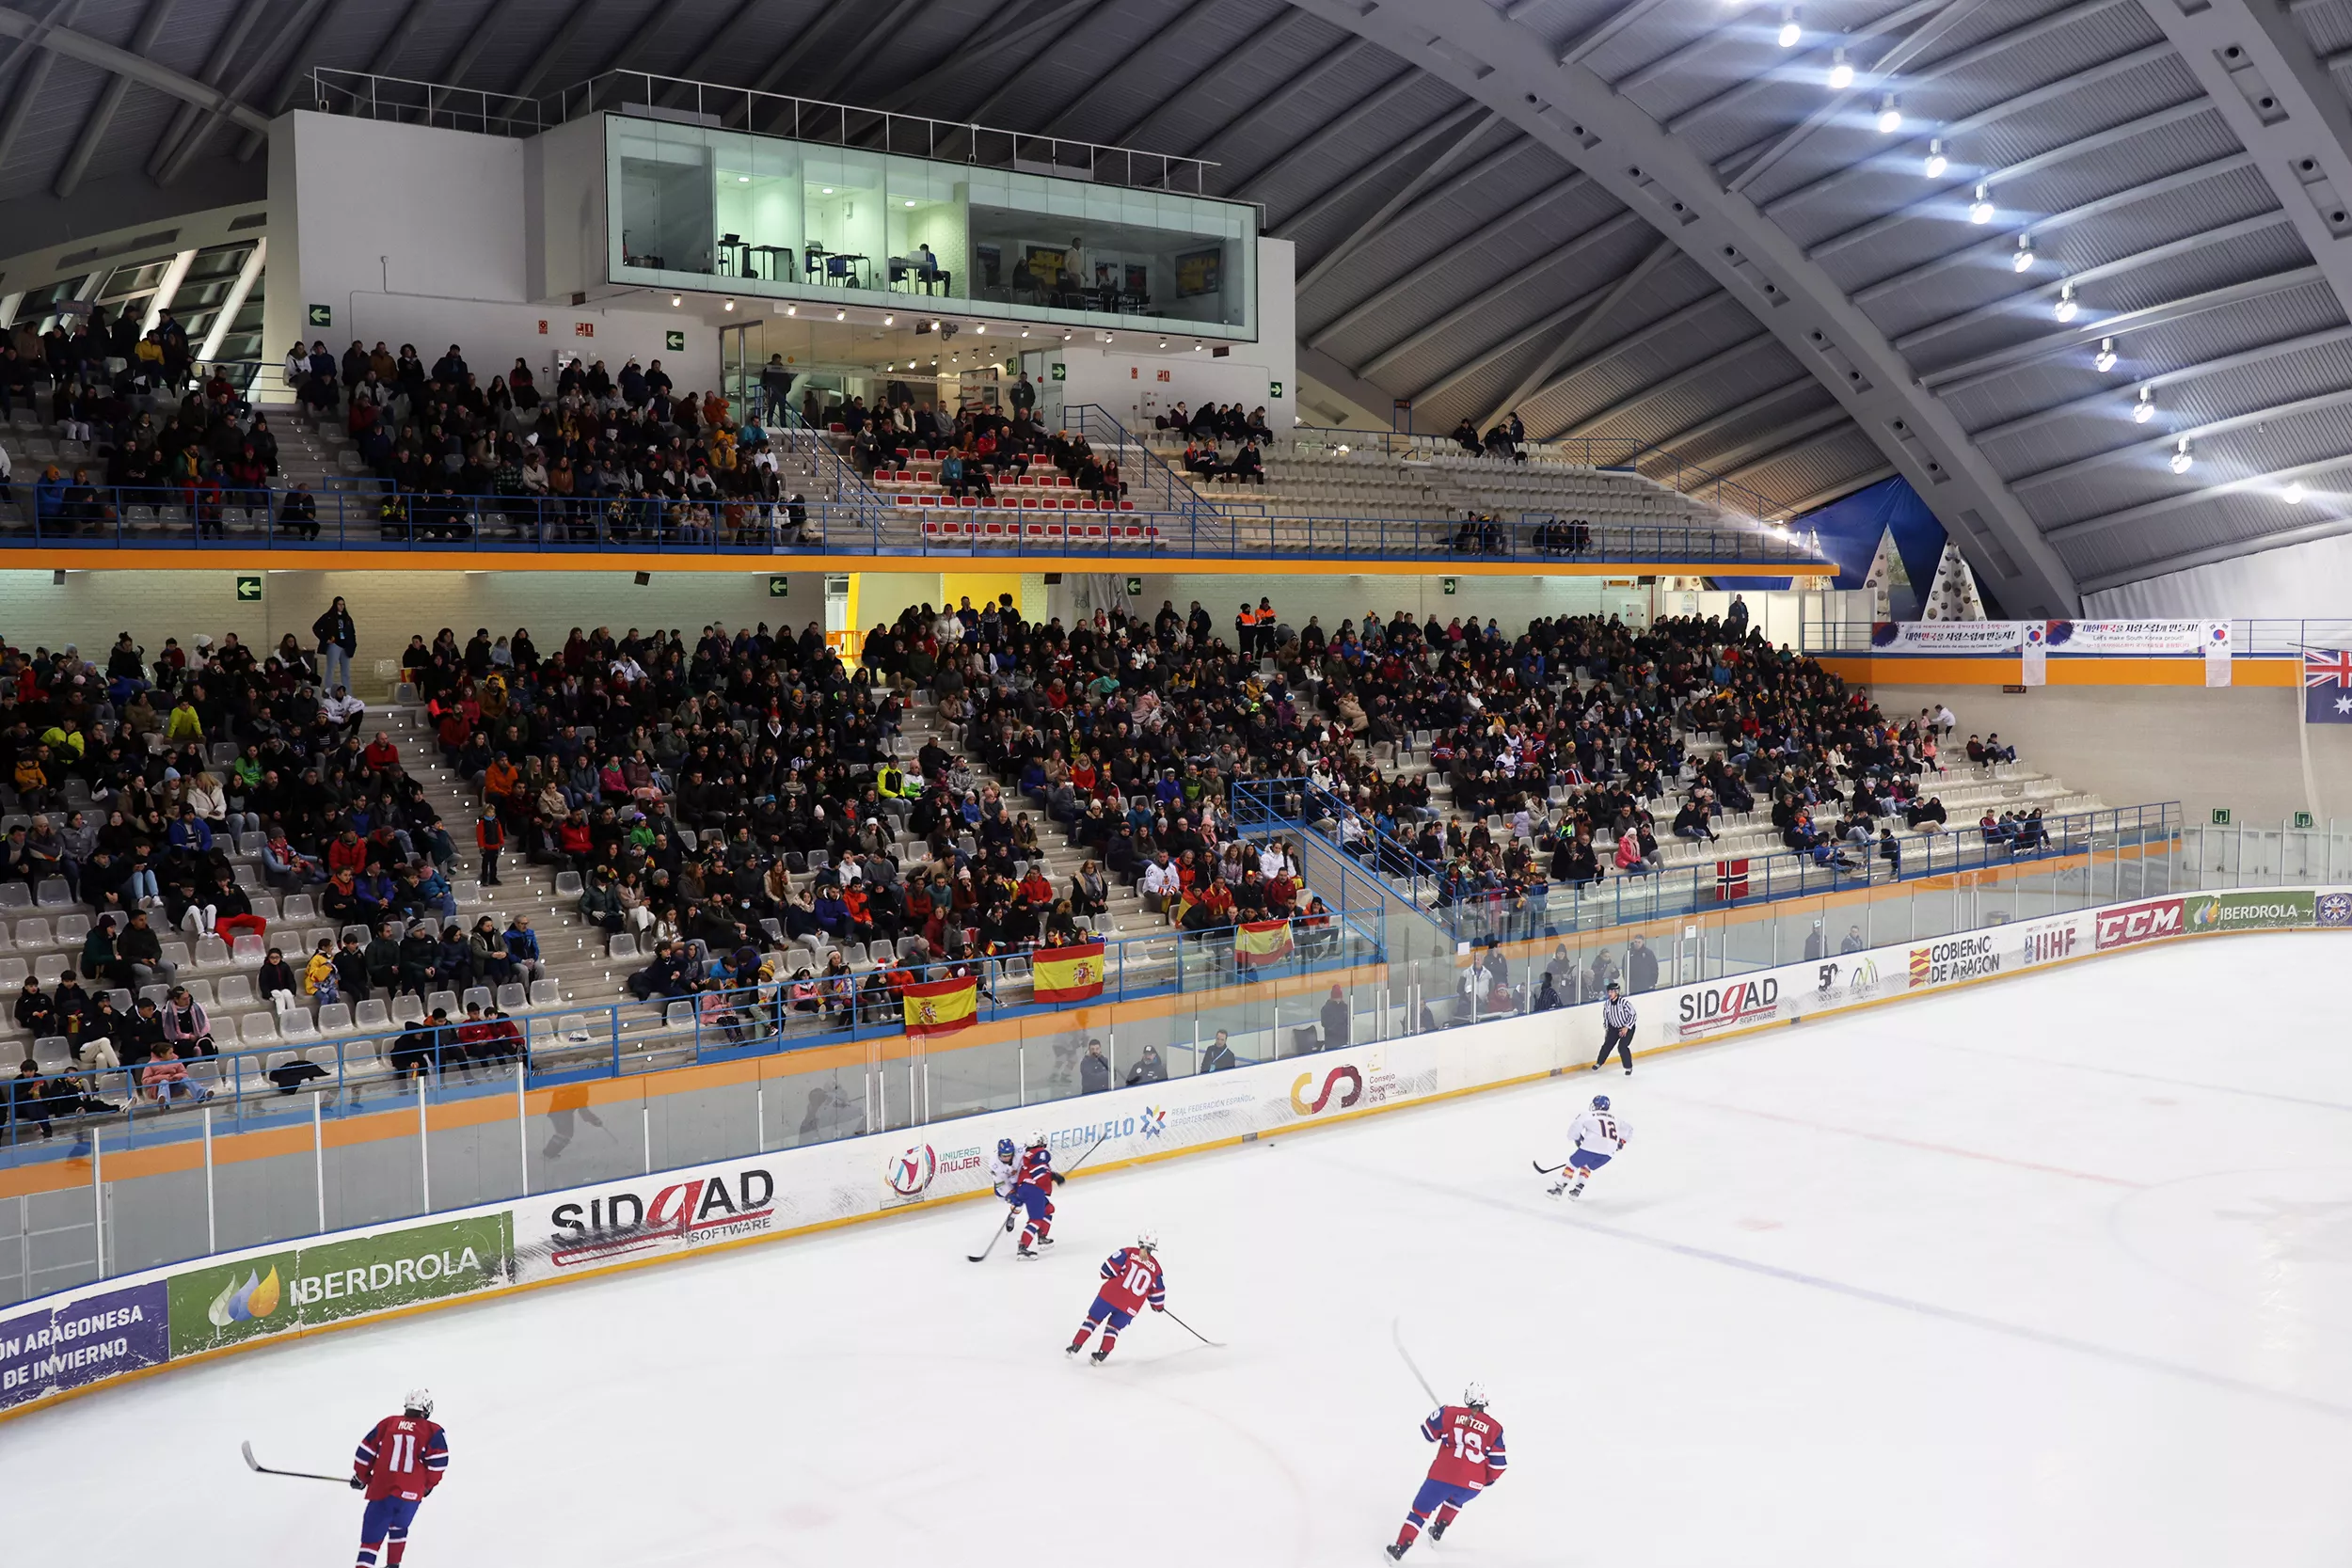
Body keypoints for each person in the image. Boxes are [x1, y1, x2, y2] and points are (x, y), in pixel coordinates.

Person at [1386, 1383, 1507, 1559]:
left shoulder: (1450, 1413)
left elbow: (1428, 1432)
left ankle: (1399, 1548)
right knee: (1457, 1497)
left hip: (1442, 1476)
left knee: (1420, 1510)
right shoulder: (1495, 1428)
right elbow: (1498, 1465)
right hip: (1472, 1484)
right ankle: (1439, 1528)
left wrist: (1442, 1415)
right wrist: (1484, 1479)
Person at [350, 1389, 449, 1568]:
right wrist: (426, 1486)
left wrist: (361, 1476)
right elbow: (438, 1463)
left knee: (370, 1544)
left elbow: (365, 1452)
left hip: (381, 1492)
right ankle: (393, 1565)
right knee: (399, 1527)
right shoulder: (433, 1431)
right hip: (411, 1495)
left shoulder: (388, 1423)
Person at [1065, 1231, 1166, 1365]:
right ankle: (1101, 1354)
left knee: (1093, 1320)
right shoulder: (1157, 1268)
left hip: (1110, 1295)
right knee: (1113, 1328)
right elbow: (1158, 1295)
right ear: (1154, 1245)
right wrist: (1157, 1306)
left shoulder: (1128, 1252)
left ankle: (1075, 1346)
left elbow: (1105, 1270)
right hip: (1131, 1305)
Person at [1547, 1093, 1629, 1199]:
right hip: (1609, 1153)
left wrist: (1575, 1137)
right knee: (1587, 1166)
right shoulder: (1616, 1119)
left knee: (1572, 1164)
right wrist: (1621, 1141)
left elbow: (1575, 1127)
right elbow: (1629, 1129)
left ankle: (1558, 1189)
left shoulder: (1587, 1115)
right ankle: (1576, 1191)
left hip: (1591, 1147)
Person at [1010, 1130, 1063, 1259]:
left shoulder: (1028, 1154)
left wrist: (1053, 1176)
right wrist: (1052, 1177)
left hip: (1024, 1188)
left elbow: (1034, 1170)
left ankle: (1042, 1237)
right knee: (1036, 1220)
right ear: (1039, 1142)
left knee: (1048, 1209)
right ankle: (1023, 1248)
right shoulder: (1040, 1152)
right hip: (1033, 1189)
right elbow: (1039, 1172)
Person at [313, 595, 357, 692]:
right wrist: (325, 639)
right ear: (335, 605)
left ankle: (348, 693)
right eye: (339, 604)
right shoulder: (328, 616)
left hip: (345, 646)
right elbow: (316, 628)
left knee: (346, 672)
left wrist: (353, 644)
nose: (341, 606)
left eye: (343, 604)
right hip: (334, 644)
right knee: (330, 668)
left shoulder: (347, 618)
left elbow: (352, 632)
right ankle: (328, 691)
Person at [1593, 977, 1635, 1074]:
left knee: (1622, 1047)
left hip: (1627, 1027)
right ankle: (1599, 1062)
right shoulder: (1607, 1004)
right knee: (1607, 1045)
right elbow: (1606, 1017)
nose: (1610, 993)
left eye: (1612, 991)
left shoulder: (1624, 1003)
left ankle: (1628, 1067)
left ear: (1617, 992)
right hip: (1614, 1028)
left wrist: (1626, 1027)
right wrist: (1607, 1030)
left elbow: (1633, 1015)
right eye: (1609, 991)